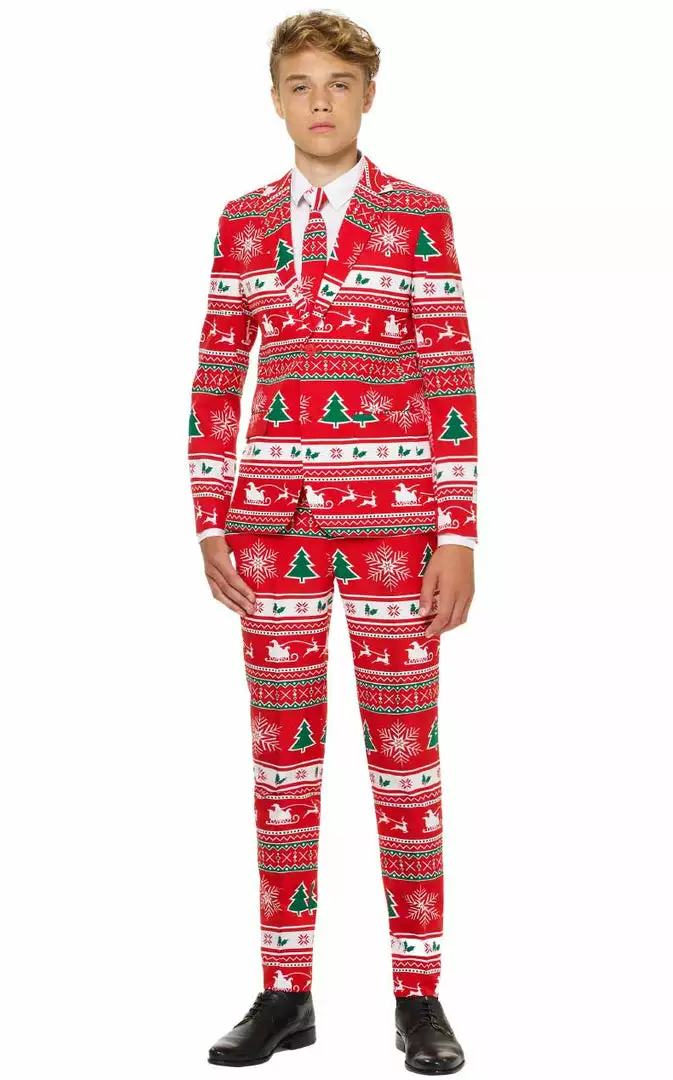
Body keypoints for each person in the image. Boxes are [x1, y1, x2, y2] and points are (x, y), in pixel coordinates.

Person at [188, 10, 477, 1073]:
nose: (319, 102)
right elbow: (218, 372)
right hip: (271, 533)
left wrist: (458, 530)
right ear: (275, 99)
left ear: (367, 96)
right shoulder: (243, 222)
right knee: (281, 765)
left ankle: (419, 995)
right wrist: (210, 516)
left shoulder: (418, 214)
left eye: (338, 84)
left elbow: (450, 372)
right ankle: (285, 990)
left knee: (406, 765)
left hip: (398, 529)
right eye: (300, 84)